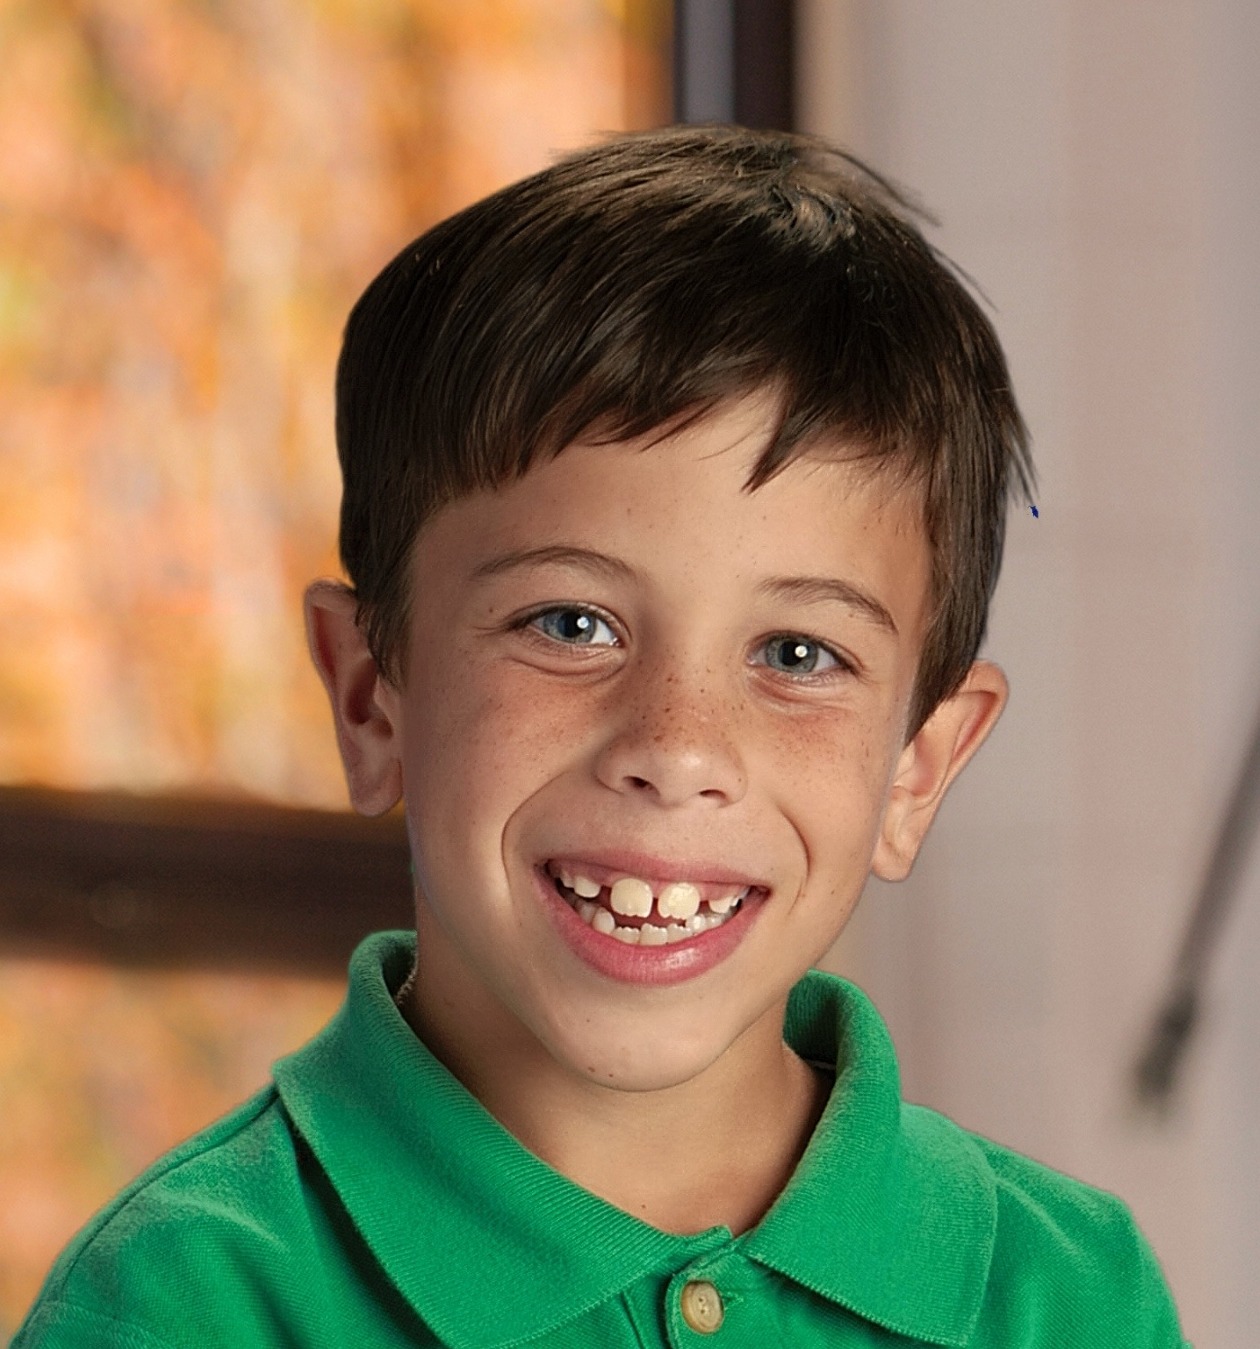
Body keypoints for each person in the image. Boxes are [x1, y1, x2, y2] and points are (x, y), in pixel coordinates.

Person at [14, 125, 1187, 1347]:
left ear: (917, 769)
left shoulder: (1073, 1295)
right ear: (371, 695)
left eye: (798, 654)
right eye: (570, 624)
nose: (679, 748)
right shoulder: (180, 1303)